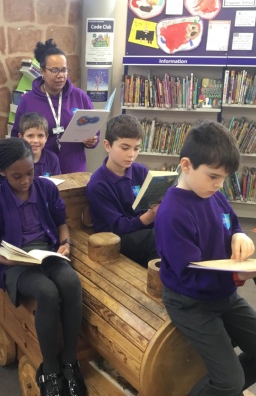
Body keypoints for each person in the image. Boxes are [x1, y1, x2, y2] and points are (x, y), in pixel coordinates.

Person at [0, 137, 87, 396]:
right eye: (17, 176)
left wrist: (65, 243)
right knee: (47, 292)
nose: (25, 180)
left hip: (47, 252)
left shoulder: (46, 189)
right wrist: (7, 261)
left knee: (71, 282)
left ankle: (70, 361)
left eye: (30, 173)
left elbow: (61, 223)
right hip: (14, 261)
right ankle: (50, 368)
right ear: (2, 172)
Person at [155, 121, 256, 395]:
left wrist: (239, 236)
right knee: (229, 382)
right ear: (186, 165)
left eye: (224, 178)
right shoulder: (172, 213)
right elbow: (190, 275)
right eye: (213, 176)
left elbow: (231, 224)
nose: (219, 185)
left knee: (231, 381)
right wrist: (238, 275)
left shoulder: (213, 195)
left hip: (224, 296)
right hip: (191, 302)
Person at [11, 38, 99, 174]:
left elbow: (93, 130)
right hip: (40, 171)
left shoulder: (79, 97)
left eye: (64, 70)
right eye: (54, 70)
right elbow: (16, 136)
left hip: (74, 169)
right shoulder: (28, 100)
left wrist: (92, 141)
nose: (61, 75)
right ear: (42, 72)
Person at [86, 114, 158, 268]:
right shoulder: (98, 184)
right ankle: (156, 279)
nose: (131, 154)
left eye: (136, 148)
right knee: (156, 238)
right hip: (115, 239)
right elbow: (117, 227)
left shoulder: (140, 171)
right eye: (125, 148)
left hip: (142, 231)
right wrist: (147, 218)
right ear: (107, 146)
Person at [18, 112, 61, 177]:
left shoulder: (52, 159)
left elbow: (58, 181)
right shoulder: (15, 161)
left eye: (40, 136)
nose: (35, 141)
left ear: (46, 137)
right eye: (30, 136)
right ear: (21, 137)